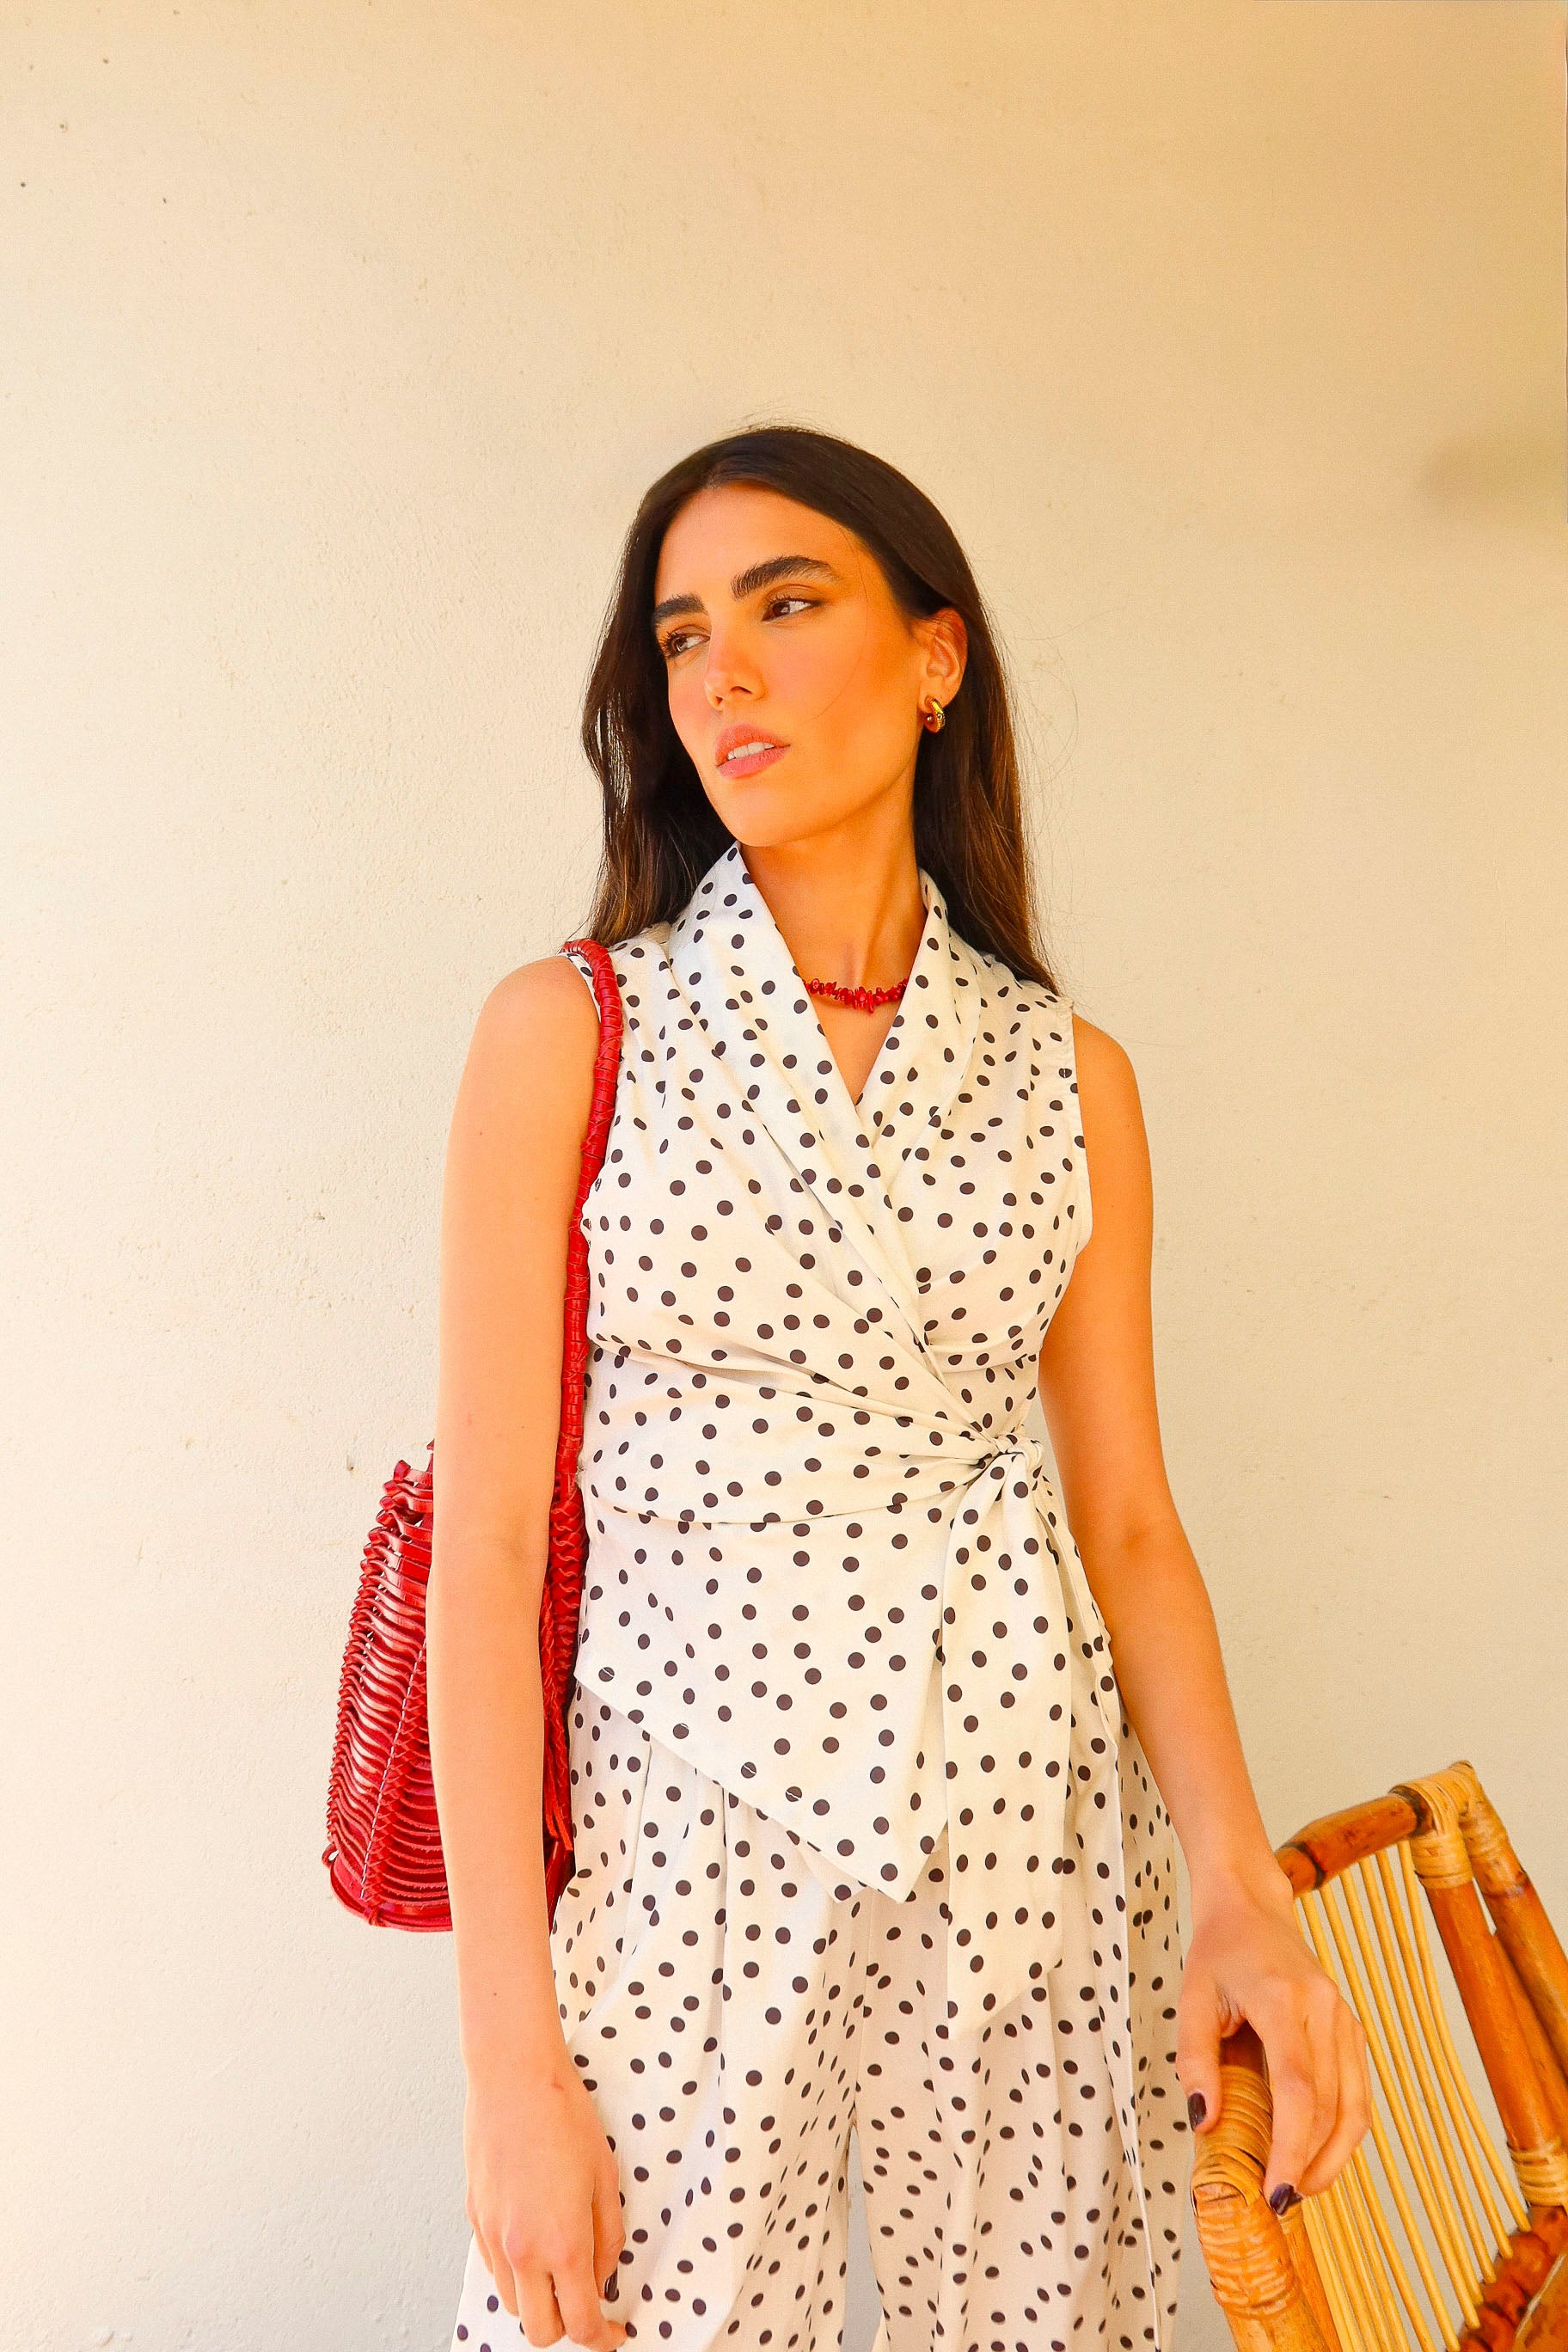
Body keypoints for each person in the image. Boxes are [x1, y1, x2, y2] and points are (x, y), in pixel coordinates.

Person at [427, 424, 1370, 2352]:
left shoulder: (1068, 1076)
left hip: (1020, 1821)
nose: (726, 675)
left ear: (936, 657)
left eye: (786, 607)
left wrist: (1236, 1881)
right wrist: (510, 2064)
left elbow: (1130, 1526)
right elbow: (490, 1548)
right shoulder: (571, 1031)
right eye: (684, 635)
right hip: (685, 1836)